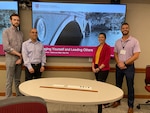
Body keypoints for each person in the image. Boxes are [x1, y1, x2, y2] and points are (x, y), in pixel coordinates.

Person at [112, 22, 141, 113]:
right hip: (119, 67)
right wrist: (119, 63)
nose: (125, 29)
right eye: (123, 28)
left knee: (130, 87)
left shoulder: (134, 41)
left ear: (129, 29)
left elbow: (136, 55)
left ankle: (130, 106)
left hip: (129, 67)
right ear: (121, 29)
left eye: (126, 28)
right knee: (118, 85)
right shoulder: (117, 41)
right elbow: (115, 53)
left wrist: (124, 63)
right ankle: (117, 101)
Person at [2, 13, 23, 98]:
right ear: (11, 21)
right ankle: (8, 98)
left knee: (17, 80)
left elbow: (22, 47)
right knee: (9, 80)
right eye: (14, 20)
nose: (16, 21)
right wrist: (19, 54)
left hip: (19, 59)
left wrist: (21, 58)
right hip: (10, 58)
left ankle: (18, 95)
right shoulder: (6, 32)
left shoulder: (21, 33)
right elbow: (6, 47)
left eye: (18, 20)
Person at [92, 33, 111, 113]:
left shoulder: (107, 47)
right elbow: (94, 59)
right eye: (99, 37)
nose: (100, 38)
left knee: (101, 86)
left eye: (102, 37)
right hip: (96, 68)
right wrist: (93, 68)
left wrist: (99, 68)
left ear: (105, 38)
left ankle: (103, 103)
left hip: (103, 69)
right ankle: (99, 101)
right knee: (98, 86)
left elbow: (106, 60)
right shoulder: (97, 48)